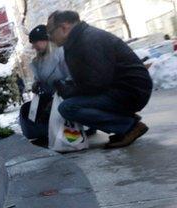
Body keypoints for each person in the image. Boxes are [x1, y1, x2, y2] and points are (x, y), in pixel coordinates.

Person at [47, 10, 152, 148]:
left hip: (130, 92)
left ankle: (129, 126)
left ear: (64, 27)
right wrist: (68, 86)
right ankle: (124, 122)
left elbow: (97, 82)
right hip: (120, 89)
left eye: (51, 32)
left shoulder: (89, 40)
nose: (50, 37)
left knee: (68, 107)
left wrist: (70, 90)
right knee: (70, 101)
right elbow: (89, 77)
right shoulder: (77, 41)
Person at [19, 24, 70, 144]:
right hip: (47, 96)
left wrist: (60, 89)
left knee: (51, 109)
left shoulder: (61, 53)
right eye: (33, 43)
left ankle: (60, 132)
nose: (34, 46)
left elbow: (71, 76)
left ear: (46, 40)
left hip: (64, 95)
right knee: (26, 109)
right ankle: (44, 132)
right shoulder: (38, 61)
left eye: (37, 41)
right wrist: (36, 84)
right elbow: (39, 79)